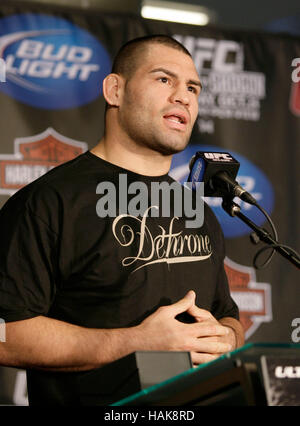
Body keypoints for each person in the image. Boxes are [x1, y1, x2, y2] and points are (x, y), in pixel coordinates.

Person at [0, 35, 244, 406]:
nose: (183, 96)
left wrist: (227, 338)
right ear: (115, 90)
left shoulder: (199, 212)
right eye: (164, 80)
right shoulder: (49, 202)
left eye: (193, 87)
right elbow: (6, 334)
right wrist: (134, 342)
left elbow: (228, 317)